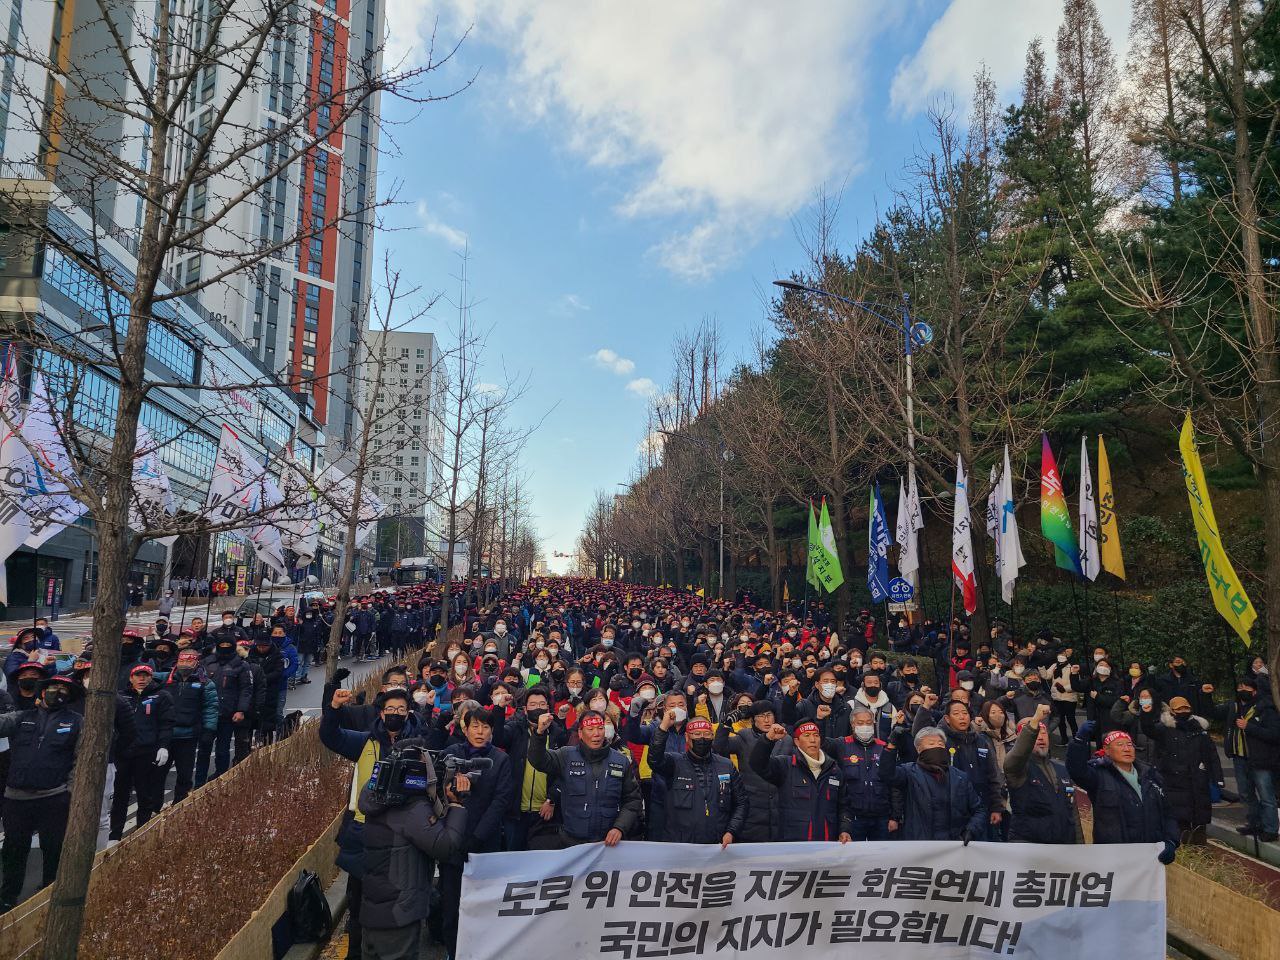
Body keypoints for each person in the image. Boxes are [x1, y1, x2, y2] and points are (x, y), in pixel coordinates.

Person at [322, 686, 422, 960]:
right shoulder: (366, 741)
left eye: (400, 709)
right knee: (359, 902)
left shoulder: (418, 745)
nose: (395, 714)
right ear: (381, 713)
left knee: (395, 901)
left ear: (408, 713)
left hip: (400, 837)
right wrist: (333, 708)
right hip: (364, 834)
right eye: (390, 709)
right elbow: (331, 736)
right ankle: (357, 952)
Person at [357, 740, 470, 960]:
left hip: (374, 912)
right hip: (398, 917)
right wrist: (456, 804)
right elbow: (445, 846)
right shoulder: (411, 810)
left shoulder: (378, 797)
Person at [0, 674, 83, 911]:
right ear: (42, 692)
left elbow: (80, 760)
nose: (58, 692)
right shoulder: (22, 718)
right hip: (16, 798)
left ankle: (49, 894)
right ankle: (7, 897)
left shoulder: (77, 722)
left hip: (53, 798)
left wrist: (70, 791)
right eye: (53, 687)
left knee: (53, 848)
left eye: (64, 689)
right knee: (13, 850)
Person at [438, 708, 512, 959]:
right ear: (465, 728)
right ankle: (453, 952)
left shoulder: (500, 759)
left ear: (492, 731)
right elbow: (437, 793)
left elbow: (500, 801)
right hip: (452, 842)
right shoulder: (451, 754)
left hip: (485, 845)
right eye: (475, 726)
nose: (480, 732)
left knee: (484, 907)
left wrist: (477, 837)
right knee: (452, 906)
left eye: (486, 727)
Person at [1067, 721, 1179, 863]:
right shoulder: (1098, 776)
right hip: (1115, 860)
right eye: (1119, 745)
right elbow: (1076, 770)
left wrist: (1171, 841)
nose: (1126, 749)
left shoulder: (1152, 776)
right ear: (1107, 750)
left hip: (1150, 858)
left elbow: (1168, 813)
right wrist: (1079, 741)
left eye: (1129, 744)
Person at [528, 709, 643, 846]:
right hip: (572, 842)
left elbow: (632, 799)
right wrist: (539, 734)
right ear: (580, 733)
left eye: (600, 728)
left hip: (608, 844)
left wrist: (619, 827)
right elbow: (538, 760)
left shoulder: (621, 761)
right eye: (590, 729)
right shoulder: (566, 755)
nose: (596, 734)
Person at [648, 713, 746, 846]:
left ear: (712, 736)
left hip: (718, 845)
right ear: (687, 737)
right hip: (681, 846)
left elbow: (741, 803)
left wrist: (731, 831)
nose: (702, 738)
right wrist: (663, 727)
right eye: (697, 734)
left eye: (706, 734)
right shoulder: (675, 763)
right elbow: (654, 760)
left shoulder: (726, 765)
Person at [751, 720, 852, 843]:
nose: (813, 740)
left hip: (826, 846)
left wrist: (844, 829)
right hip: (794, 847)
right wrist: (768, 739)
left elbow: (843, 806)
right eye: (807, 735)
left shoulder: (834, 770)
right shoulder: (785, 766)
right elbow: (757, 764)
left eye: (816, 735)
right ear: (797, 741)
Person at [1142, 695, 1222, 844]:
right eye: (1179, 709)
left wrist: (1217, 778)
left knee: (1200, 818)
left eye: (1186, 708)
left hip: (1197, 779)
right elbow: (1148, 730)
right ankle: (1181, 847)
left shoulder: (1200, 730)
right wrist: (1146, 713)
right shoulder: (1164, 729)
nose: (1183, 711)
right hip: (1174, 780)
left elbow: (1212, 755)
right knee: (1179, 818)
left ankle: (1199, 848)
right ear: (1172, 711)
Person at [493, 686, 566, 851]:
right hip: (516, 810)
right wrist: (499, 708)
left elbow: (563, 771)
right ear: (525, 710)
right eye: (533, 705)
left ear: (548, 708)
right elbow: (497, 739)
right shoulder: (516, 728)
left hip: (545, 812)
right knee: (514, 855)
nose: (537, 708)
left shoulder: (557, 733)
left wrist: (552, 799)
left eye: (542, 704)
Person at [884, 726, 986, 842]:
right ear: (919, 749)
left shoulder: (960, 777)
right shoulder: (909, 773)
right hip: (920, 844)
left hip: (954, 844)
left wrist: (971, 830)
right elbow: (887, 774)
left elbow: (979, 809)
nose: (937, 747)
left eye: (940, 744)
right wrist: (891, 745)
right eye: (931, 744)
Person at [110, 664, 174, 841]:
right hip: (123, 753)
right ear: (131, 678)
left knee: (145, 794)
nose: (142, 679)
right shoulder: (120, 696)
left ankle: (142, 834)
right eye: (138, 675)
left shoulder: (162, 696)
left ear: (151, 677)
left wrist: (163, 746)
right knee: (120, 795)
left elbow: (166, 723)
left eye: (145, 675)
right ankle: (114, 835)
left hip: (147, 752)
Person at [1003, 703, 1081, 843]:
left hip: (1063, 845)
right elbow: (1018, 754)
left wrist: (1079, 845)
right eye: (1035, 734)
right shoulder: (1018, 769)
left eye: (1043, 733)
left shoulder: (1062, 769)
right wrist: (1034, 721)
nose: (1040, 737)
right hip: (1030, 846)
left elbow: (1072, 812)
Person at [711, 700, 781, 842]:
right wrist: (725, 725)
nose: (766, 720)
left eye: (769, 715)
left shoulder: (785, 739)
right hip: (752, 808)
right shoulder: (744, 737)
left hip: (778, 808)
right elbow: (719, 748)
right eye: (761, 716)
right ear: (753, 719)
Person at [1222, 676, 1279, 841]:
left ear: (1255, 691)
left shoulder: (1266, 709)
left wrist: (1249, 727)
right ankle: (1254, 823)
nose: (1242, 691)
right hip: (1241, 758)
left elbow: (1274, 734)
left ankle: (1270, 828)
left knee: (1266, 795)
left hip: (1261, 759)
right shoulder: (1237, 707)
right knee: (1246, 794)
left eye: (1246, 688)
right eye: (1240, 688)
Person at [829, 708, 897, 840]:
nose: (865, 726)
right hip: (853, 817)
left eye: (868, 722)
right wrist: (821, 720)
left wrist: (895, 816)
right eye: (860, 723)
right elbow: (821, 743)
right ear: (852, 725)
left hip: (881, 817)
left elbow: (893, 783)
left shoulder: (883, 747)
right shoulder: (842, 744)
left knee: (881, 852)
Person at [163, 648, 219, 804]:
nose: (185, 664)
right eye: (182, 660)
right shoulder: (166, 679)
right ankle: (153, 806)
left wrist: (209, 730)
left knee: (185, 773)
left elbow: (211, 708)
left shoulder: (205, 683)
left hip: (188, 735)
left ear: (196, 662)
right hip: (166, 734)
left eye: (189, 660)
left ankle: (180, 803)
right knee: (158, 773)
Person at [196, 635, 251, 785]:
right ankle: (199, 783)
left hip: (227, 713)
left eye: (228, 645)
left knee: (222, 749)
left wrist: (241, 710)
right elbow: (199, 684)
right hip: (207, 713)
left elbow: (246, 689)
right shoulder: (206, 662)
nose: (225, 647)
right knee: (204, 749)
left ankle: (220, 779)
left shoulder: (241, 665)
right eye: (223, 644)